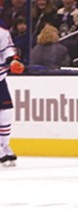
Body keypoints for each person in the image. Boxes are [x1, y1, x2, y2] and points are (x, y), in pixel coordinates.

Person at [0, 24, 24, 167]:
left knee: (6, 112)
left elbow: (7, 50)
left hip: (0, 79)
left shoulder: (2, 33)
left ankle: (5, 145)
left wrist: (13, 60)